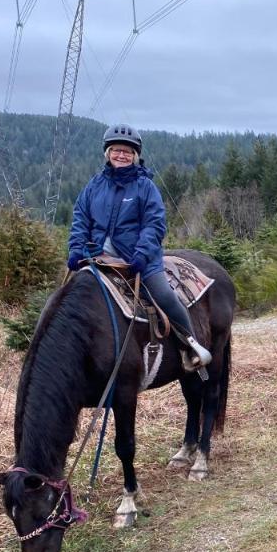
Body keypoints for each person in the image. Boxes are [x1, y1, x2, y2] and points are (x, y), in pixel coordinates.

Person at [68, 124, 212, 369]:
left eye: (127, 152)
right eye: (116, 150)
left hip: (138, 259)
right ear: (108, 153)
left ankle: (191, 346)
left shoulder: (146, 187)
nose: (121, 155)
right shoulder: (94, 186)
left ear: (135, 155)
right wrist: (76, 249)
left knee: (164, 296)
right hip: (97, 258)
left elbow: (154, 224)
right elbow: (80, 218)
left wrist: (141, 256)